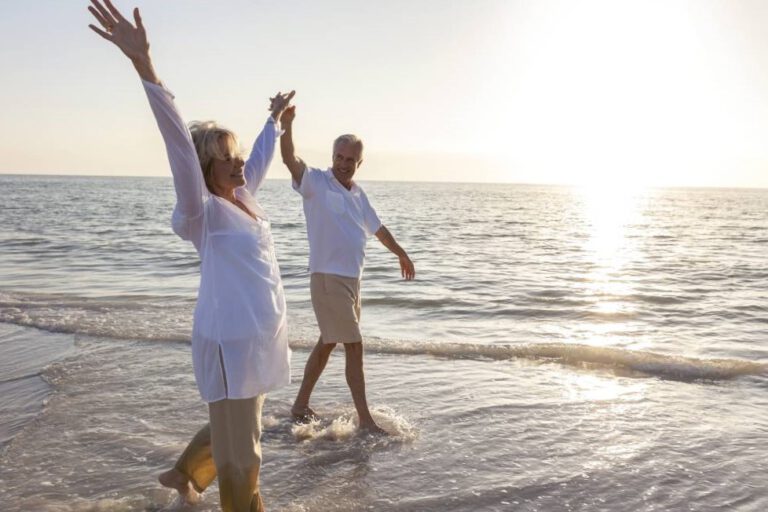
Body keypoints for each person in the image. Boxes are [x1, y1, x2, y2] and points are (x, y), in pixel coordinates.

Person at [87, 1, 293, 509]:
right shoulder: (204, 212)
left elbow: (260, 159)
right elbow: (179, 145)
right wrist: (145, 67)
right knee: (243, 455)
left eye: (236, 153)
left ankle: (182, 475)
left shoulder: (241, 199)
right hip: (229, 342)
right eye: (224, 157)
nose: (238, 162)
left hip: (256, 339)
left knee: (239, 425)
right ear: (205, 167)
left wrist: (273, 122)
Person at [279, 102, 415, 434]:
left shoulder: (358, 193)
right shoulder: (316, 183)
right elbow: (289, 159)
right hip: (327, 278)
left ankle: (299, 405)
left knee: (328, 342)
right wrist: (287, 124)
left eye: (350, 159)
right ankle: (365, 420)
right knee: (354, 344)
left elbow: (378, 229)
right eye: (339, 157)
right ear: (333, 157)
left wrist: (401, 254)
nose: (343, 164)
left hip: (352, 281)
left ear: (359, 162)